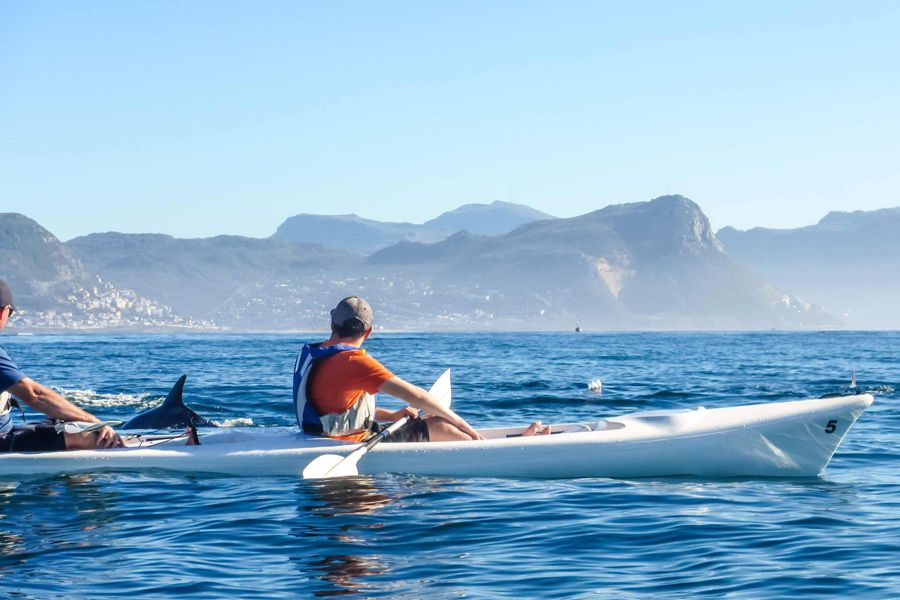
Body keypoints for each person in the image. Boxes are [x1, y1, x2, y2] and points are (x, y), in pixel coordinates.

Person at [293, 296, 550, 443]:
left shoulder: (314, 354)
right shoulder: (353, 362)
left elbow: (334, 408)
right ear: (368, 332)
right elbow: (415, 395)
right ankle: (493, 447)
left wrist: (393, 415)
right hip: (348, 443)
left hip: (326, 434)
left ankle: (490, 442)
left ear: (332, 322)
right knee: (442, 425)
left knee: (430, 422)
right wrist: (461, 422)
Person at [0, 279, 124, 452]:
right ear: (4, 311)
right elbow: (34, 395)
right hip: (3, 443)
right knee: (90, 436)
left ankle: (71, 477)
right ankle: (75, 477)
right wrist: (95, 423)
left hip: (6, 435)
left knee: (71, 422)